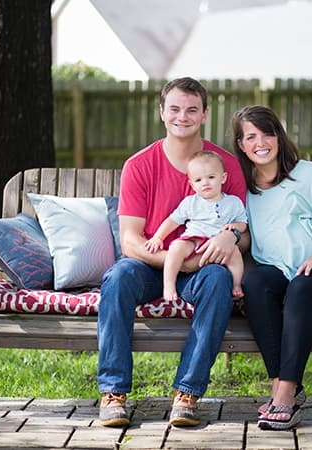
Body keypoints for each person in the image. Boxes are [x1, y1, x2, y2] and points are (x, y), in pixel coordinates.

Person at [97, 77, 248, 428]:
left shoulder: (224, 166)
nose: (183, 116)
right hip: (151, 267)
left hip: (205, 266)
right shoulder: (140, 165)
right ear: (162, 113)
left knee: (218, 279)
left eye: (192, 109)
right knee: (118, 277)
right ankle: (113, 391)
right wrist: (177, 260)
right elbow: (131, 241)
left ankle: (187, 392)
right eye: (175, 109)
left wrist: (233, 238)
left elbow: (245, 233)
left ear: (205, 114)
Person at [231, 105, 312, 431]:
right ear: (241, 144)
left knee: (301, 287)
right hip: (280, 269)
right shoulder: (243, 189)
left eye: (267, 133)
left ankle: (285, 395)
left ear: (278, 136)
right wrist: (231, 237)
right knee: (256, 283)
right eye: (251, 136)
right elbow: (247, 235)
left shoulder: (307, 174)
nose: (260, 142)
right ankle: (282, 384)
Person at [145, 150, 248, 300]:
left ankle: (236, 285)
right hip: (193, 240)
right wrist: (158, 237)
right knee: (176, 248)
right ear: (191, 184)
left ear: (223, 178)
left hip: (218, 243)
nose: (205, 183)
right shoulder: (190, 202)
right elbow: (173, 220)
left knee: (235, 254)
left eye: (211, 177)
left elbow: (242, 222)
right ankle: (169, 285)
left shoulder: (233, 202)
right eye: (198, 180)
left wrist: (234, 228)